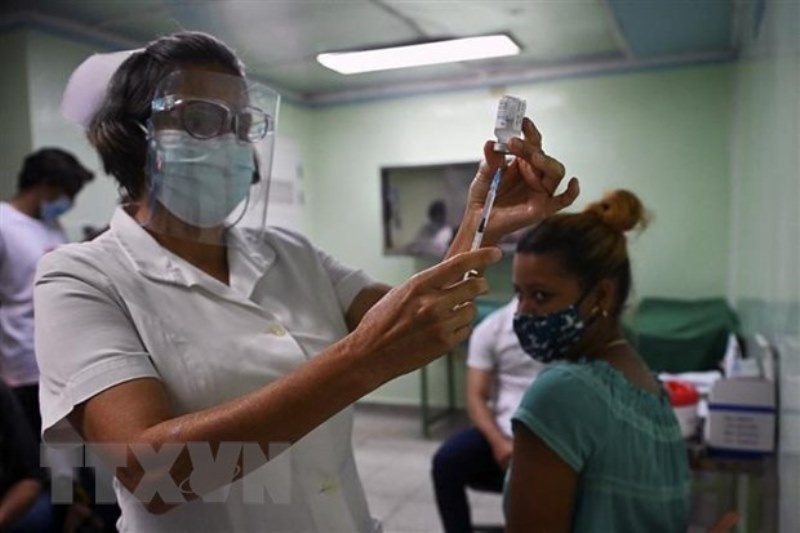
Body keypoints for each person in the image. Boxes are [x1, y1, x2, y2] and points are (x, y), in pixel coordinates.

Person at [35, 31, 579, 532]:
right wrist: (359, 361)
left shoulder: (289, 253)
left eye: (241, 125)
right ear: (133, 136)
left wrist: (480, 221)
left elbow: (423, 318)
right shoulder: (81, 278)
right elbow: (152, 474)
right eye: (201, 120)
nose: (230, 143)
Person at [505, 190, 691, 532]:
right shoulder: (649, 387)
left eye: (541, 296)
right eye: (520, 294)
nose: (523, 312)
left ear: (602, 295)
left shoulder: (561, 394)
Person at [0, 148, 93, 435]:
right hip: (21, 366)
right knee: (35, 452)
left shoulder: (51, 225)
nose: (70, 203)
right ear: (44, 185)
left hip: (59, 363)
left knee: (64, 452)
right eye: (67, 193)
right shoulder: (4, 224)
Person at [432, 297, 544, 532]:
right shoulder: (493, 329)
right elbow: (476, 398)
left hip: (556, 435)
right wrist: (499, 444)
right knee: (446, 463)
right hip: (506, 431)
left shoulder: (573, 330)